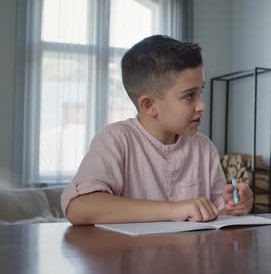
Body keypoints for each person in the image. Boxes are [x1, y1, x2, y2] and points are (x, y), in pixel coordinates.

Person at [61, 35, 253, 225]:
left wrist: (233, 205)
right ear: (149, 105)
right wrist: (173, 210)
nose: (201, 105)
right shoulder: (116, 139)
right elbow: (79, 208)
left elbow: (217, 212)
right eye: (189, 96)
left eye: (200, 91)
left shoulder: (204, 148)